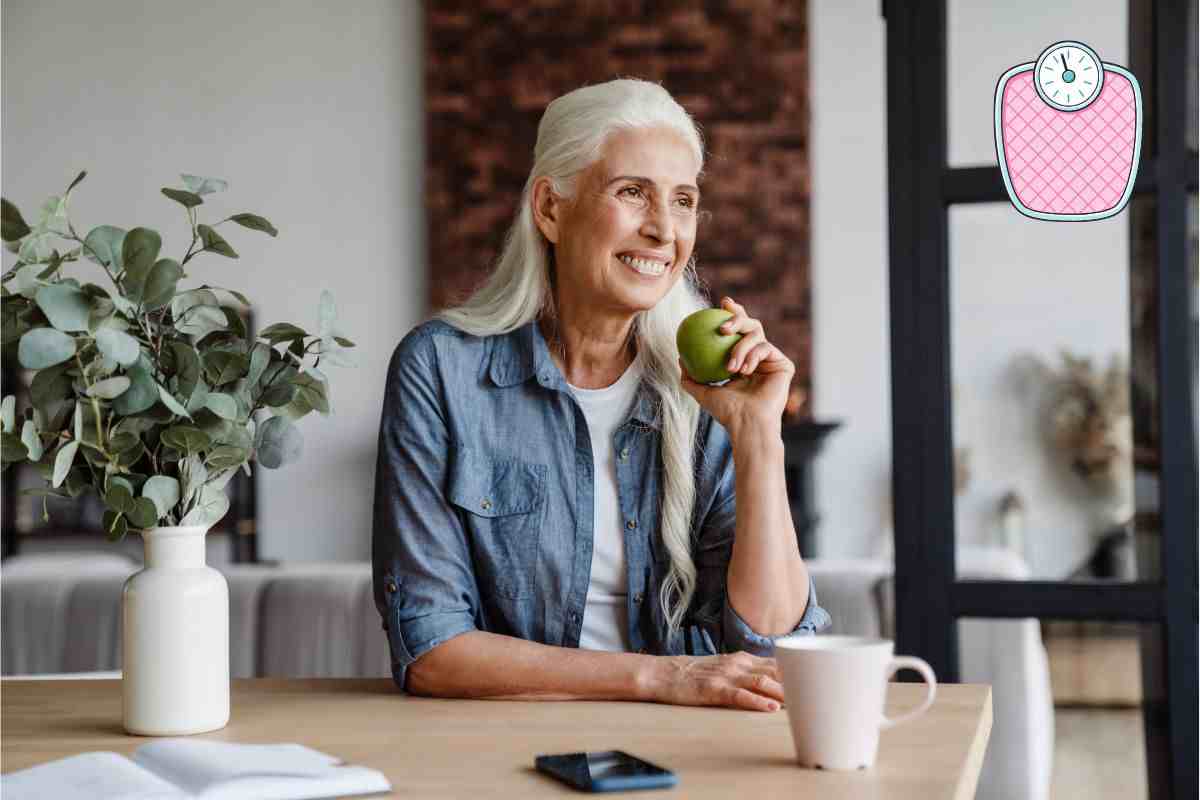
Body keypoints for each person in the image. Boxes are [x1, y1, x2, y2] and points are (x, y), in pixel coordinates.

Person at [372, 77, 830, 713]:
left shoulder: (710, 386)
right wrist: (663, 678)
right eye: (632, 193)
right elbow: (431, 648)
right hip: (505, 746)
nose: (663, 230)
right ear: (550, 209)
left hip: (692, 748)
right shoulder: (442, 370)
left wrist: (757, 435)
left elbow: (775, 650)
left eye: (684, 200)